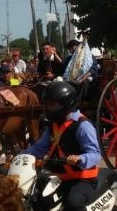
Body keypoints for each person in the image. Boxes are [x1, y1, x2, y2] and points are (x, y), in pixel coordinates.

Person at [23, 81, 101, 211]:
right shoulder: (53, 125)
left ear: (65, 104)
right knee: (35, 199)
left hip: (83, 179)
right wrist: (21, 156)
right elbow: (38, 148)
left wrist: (80, 159)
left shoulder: (83, 126)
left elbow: (95, 153)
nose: (48, 109)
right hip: (58, 176)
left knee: (73, 203)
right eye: (47, 105)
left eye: (52, 105)